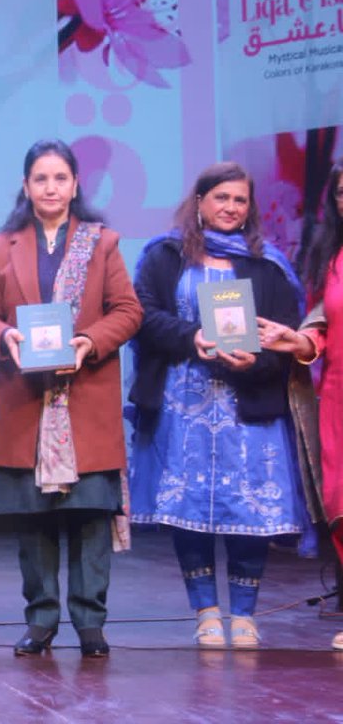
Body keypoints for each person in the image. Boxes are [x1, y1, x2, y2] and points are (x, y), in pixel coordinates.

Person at [130, 161, 303, 649]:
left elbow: (285, 339)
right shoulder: (165, 255)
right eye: (221, 197)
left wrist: (256, 360)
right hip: (182, 402)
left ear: (250, 209)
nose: (230, 207)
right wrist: (195, 336)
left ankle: (245, 613)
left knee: (249, 510)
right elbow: (144, 318)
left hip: (248, 406)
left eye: (240, 200)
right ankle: (205, 610)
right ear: (200, 201)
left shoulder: (269, 264)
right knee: (191, 509)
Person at [0, 139, 141, 658]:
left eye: (60, 178)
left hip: (84, 398)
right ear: (26, 187)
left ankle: (91, 623)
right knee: (35, 520)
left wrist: (88, 342)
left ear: (75, 185)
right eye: (41, 179)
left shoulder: (103, 243)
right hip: (25, 400)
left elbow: (128, 311)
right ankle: (41, 620)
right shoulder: (3, 245)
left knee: (91, 518)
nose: (51, 187)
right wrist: (5, 337)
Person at [256, 158, 343, 651]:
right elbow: (322, 324)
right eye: (342, 193)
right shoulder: (333, 255)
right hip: (336, 398)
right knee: (339, 506)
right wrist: (301, 340)